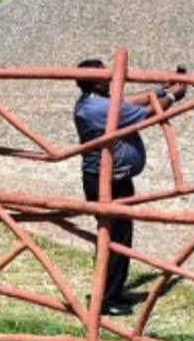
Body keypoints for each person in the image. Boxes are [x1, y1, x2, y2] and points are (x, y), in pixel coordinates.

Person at [73, 57, 188, 316]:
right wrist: (173, 96)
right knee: (115, 240)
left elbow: (128, 102)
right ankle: (106, 298)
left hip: (113, 179)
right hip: (110, 183)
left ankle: (111, 290)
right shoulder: (99, 109)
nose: (110, 77)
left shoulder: (95, 102)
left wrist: (160, 89)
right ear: (95, 82)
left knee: (116, 237)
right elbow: (146, 113)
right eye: (104, 75)